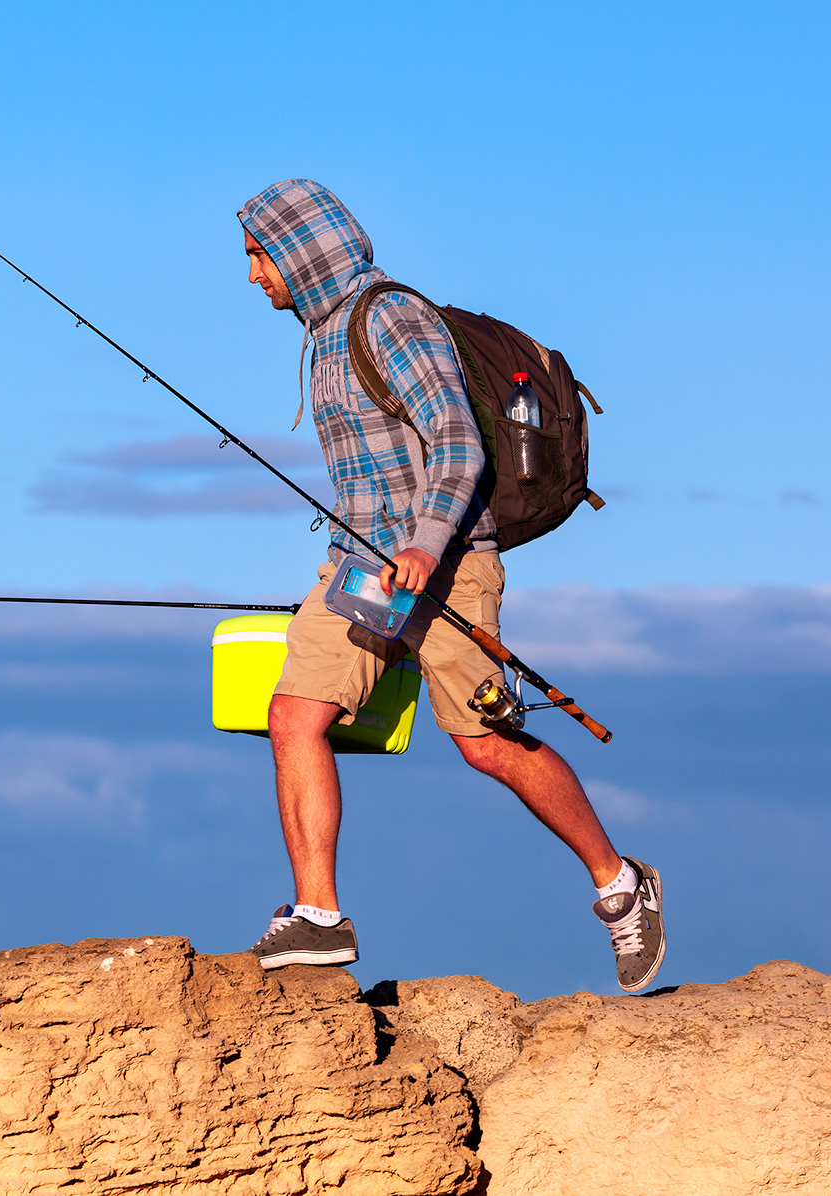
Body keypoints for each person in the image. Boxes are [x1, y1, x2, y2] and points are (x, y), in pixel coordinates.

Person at [237, 179, 667, 993]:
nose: (253, 276)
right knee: (294, 715)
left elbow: (459, 443)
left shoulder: (389, 317)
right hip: (361, 570)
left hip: (450, 561)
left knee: (486, 747)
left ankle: (620, 884)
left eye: (259, 256)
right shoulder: (323, 339)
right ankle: (318, 917)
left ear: (298, 249)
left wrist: (428, 548)